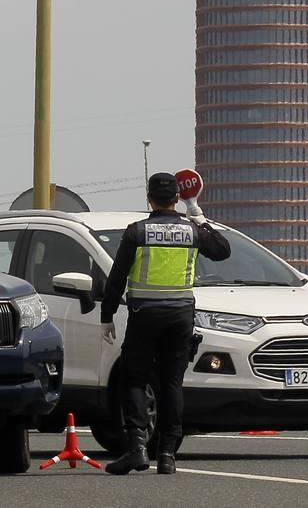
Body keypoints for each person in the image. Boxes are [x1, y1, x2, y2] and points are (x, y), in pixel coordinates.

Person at [101, 172, 231, 476]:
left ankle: (136, 449)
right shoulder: (191, 231)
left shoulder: (137, 232)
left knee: (133, 379)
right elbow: (223, 250)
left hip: (145, 315)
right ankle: (168, 455)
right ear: (176, 199)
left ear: (149, 198)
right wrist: (198, 216)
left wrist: (106, 316)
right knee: (172, 383)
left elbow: (117, 278)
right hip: (181, 316)